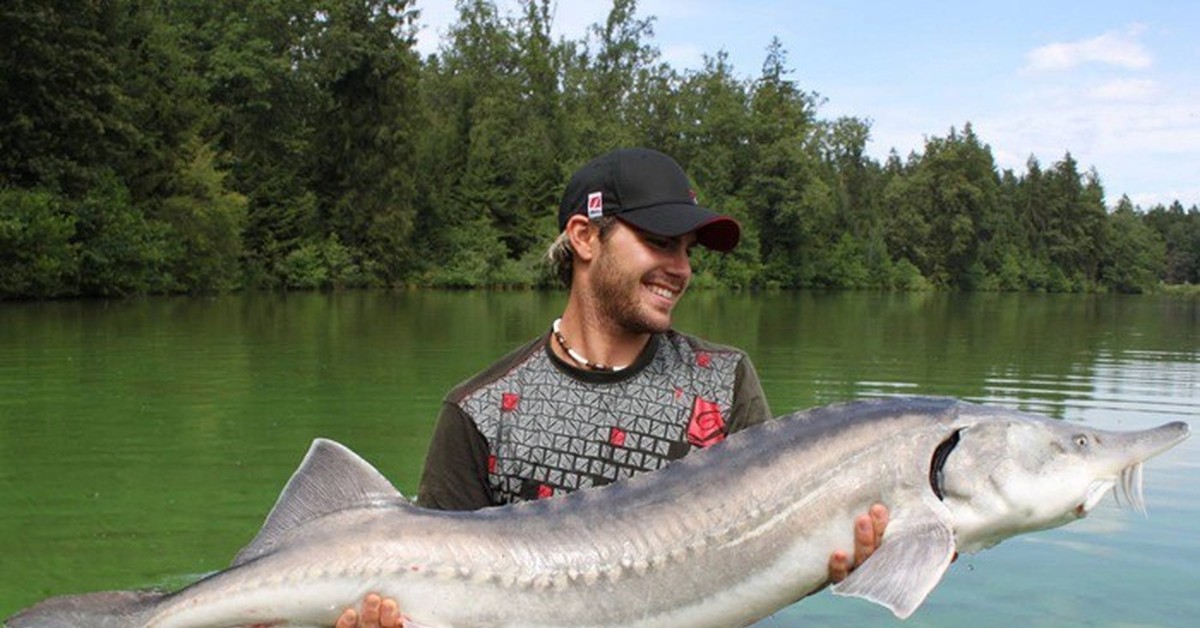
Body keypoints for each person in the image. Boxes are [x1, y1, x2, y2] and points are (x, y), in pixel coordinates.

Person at [334, 148, 889, 627]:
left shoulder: (723, 381)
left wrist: (824, 561)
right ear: (584, 237)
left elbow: (752, 563)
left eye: (688, 249)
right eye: (658, 241)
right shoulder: (479, 410)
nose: (680, 268)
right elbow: (441, 592)